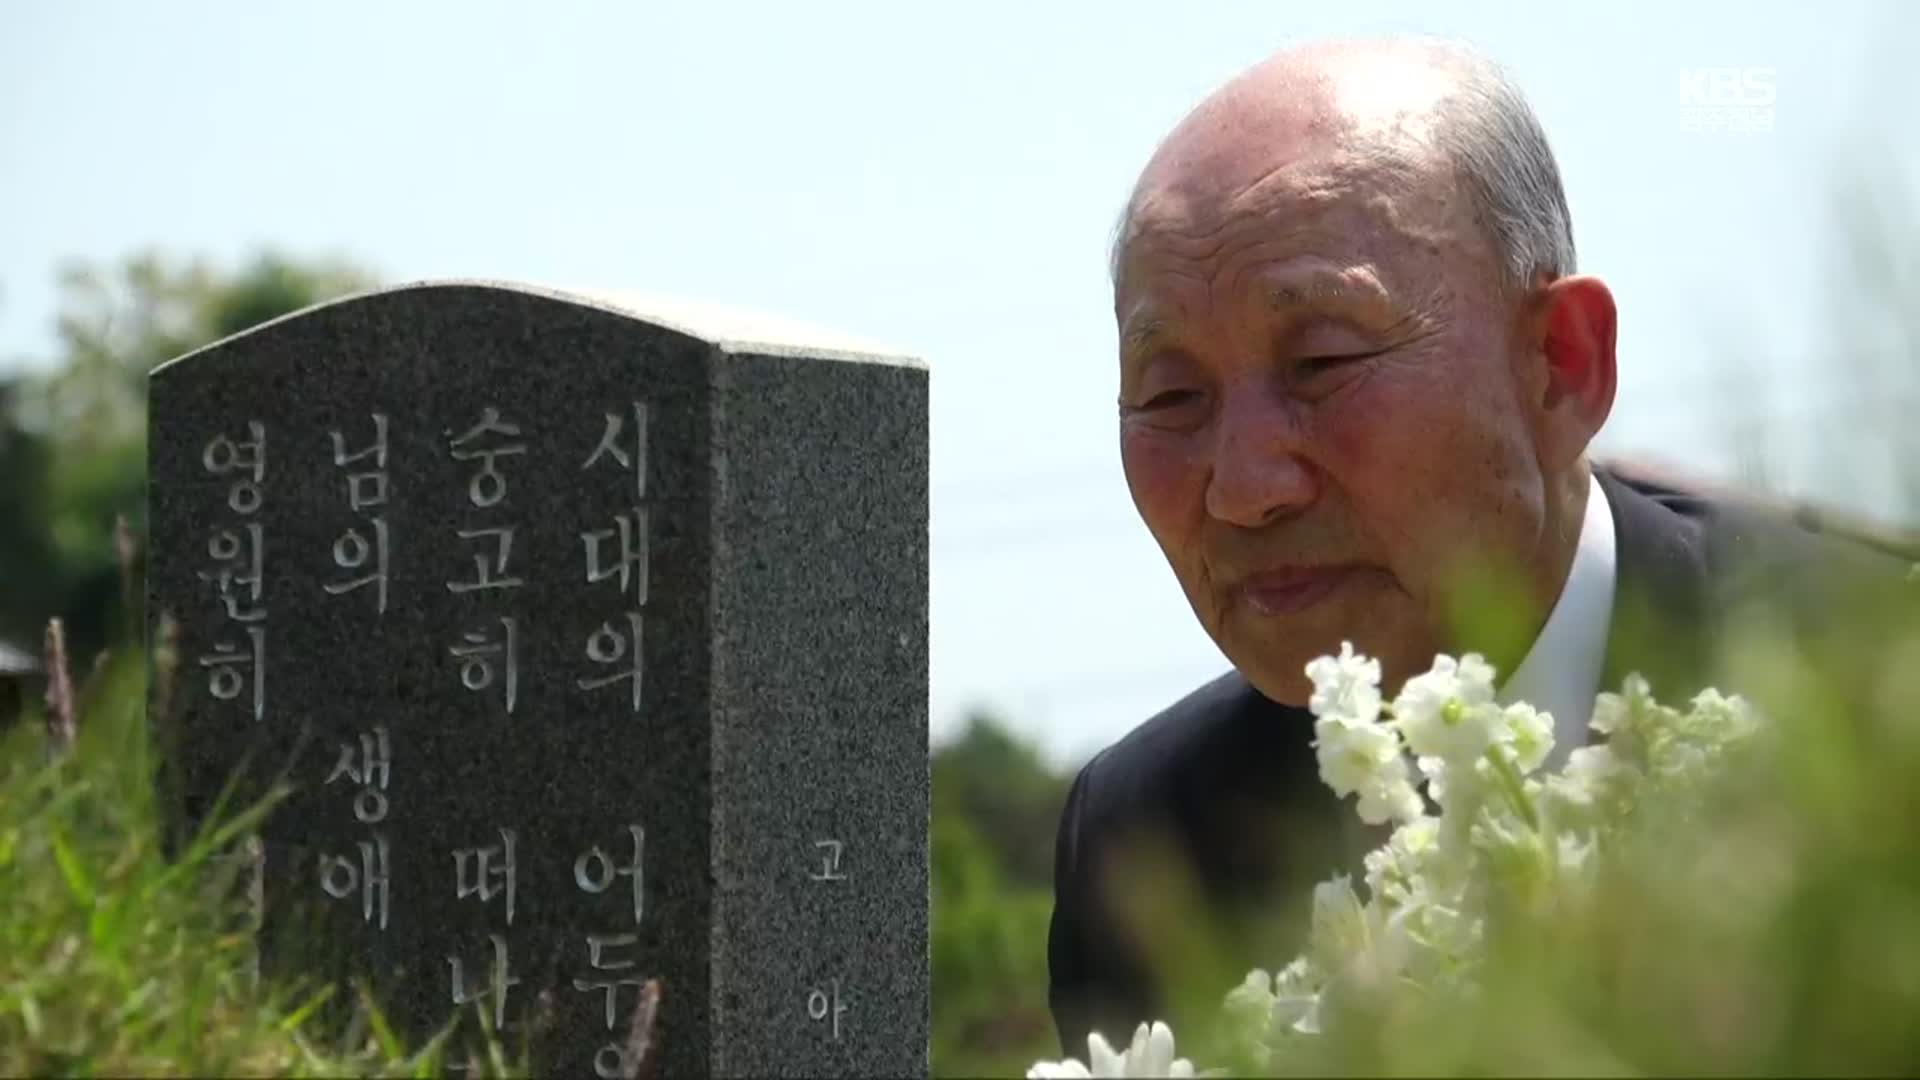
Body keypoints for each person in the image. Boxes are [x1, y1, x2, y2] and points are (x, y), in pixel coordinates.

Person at [1047, 35, 1918, 1057]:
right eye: (1172, 397)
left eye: (1322, 362)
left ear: (1561, 364)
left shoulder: (1872, 702)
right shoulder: (1151, 845)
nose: (1243, 488)